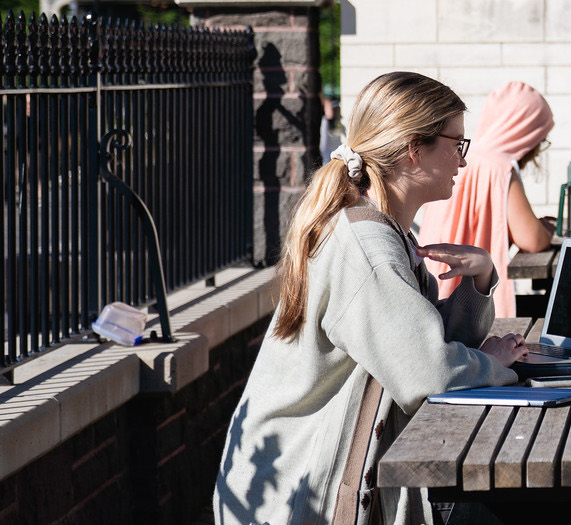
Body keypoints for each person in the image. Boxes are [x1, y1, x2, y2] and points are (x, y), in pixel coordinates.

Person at [214, 71, 529, 525]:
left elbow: (415, 343)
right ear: (413, 148)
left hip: (309, 480)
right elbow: (428, 374)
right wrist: (494, 364)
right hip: (298, 495)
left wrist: (479, 277)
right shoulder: (367, 246)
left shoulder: (384, 229)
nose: (463, 161)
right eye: (456, 144)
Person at [416, 81, 557, 318]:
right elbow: (532, 240)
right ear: (524, 130)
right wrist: (547, 228)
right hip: (469, 298)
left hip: (432, 282)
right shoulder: (498, 166)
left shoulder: (462, 155)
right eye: (539, 136)